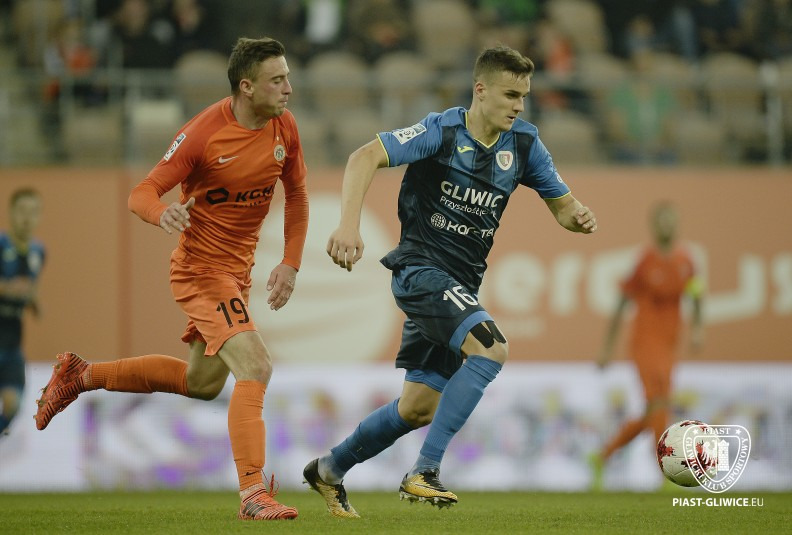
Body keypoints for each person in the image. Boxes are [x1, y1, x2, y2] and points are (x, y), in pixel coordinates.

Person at [304, 45, 598, 518]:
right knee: (491, 347)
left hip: (459, 287)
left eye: (524, 96)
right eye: (510, 95)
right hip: (420, 271)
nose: (519, 106)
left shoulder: (524, 145)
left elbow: (562, 207)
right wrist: (348, 226)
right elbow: (364, 157)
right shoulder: (440, 131)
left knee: (416, 409)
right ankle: (424, 471)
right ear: (480, 90)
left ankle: (328, 469)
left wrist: (577, 216)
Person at [34, 37, 308, 521]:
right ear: (247, 86)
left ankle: (82, 374)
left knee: (202, 383)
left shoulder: (284, 125)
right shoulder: (204, 134)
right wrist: (162, 214)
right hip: (201, 270)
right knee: (256, 365)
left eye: (287, 77)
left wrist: (290, 261)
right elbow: (141, 192)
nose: (289, 88)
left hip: (237, 274)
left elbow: (299, 195)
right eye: (277, 79)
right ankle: (252, 493)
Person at [591, 200, 703, 490]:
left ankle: (602, 457)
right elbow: (621, 304)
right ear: (653, 226)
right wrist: (607, 348)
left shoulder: (686, 261)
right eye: (661, 220)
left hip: (670, 343)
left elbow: (697, 294)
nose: (666, 225)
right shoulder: (645, 261)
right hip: (645, 342)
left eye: (670, 220)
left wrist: (697, 329)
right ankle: (665, 472)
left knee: (655, 408)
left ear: (677, 224)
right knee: (659, 402)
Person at [0, 189, 44, 437]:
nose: (27, 218)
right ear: (11, 213)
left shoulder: (38, 252)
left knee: (13, 404)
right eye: (22, 211)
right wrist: (7, 288)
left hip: (12, 344)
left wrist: (34, 302)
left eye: (33, 212)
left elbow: (30, 288)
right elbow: (14, 286)